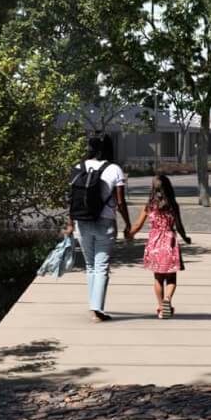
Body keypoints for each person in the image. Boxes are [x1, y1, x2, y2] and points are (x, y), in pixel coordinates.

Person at [66, 134, 128, 321]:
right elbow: (120, 201)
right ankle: (97, 310)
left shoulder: (78, 167)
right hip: (105, 221)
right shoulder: (114, 169)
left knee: (90, 265)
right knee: (101, 267)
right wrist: (128, 223)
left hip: (81, 221)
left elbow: (71, 199)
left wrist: (70, 223)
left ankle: (94, 306)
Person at [135, 173, 189, 318]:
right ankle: (167, 300)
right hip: (169, 242)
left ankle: (160, 307)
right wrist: (185, 237)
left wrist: (130, 233)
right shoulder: (173, 206)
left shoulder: (149, 206)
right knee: (171, 278)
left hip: (155, 243)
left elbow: (138, 225)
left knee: (158, 278)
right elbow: (179, 225)